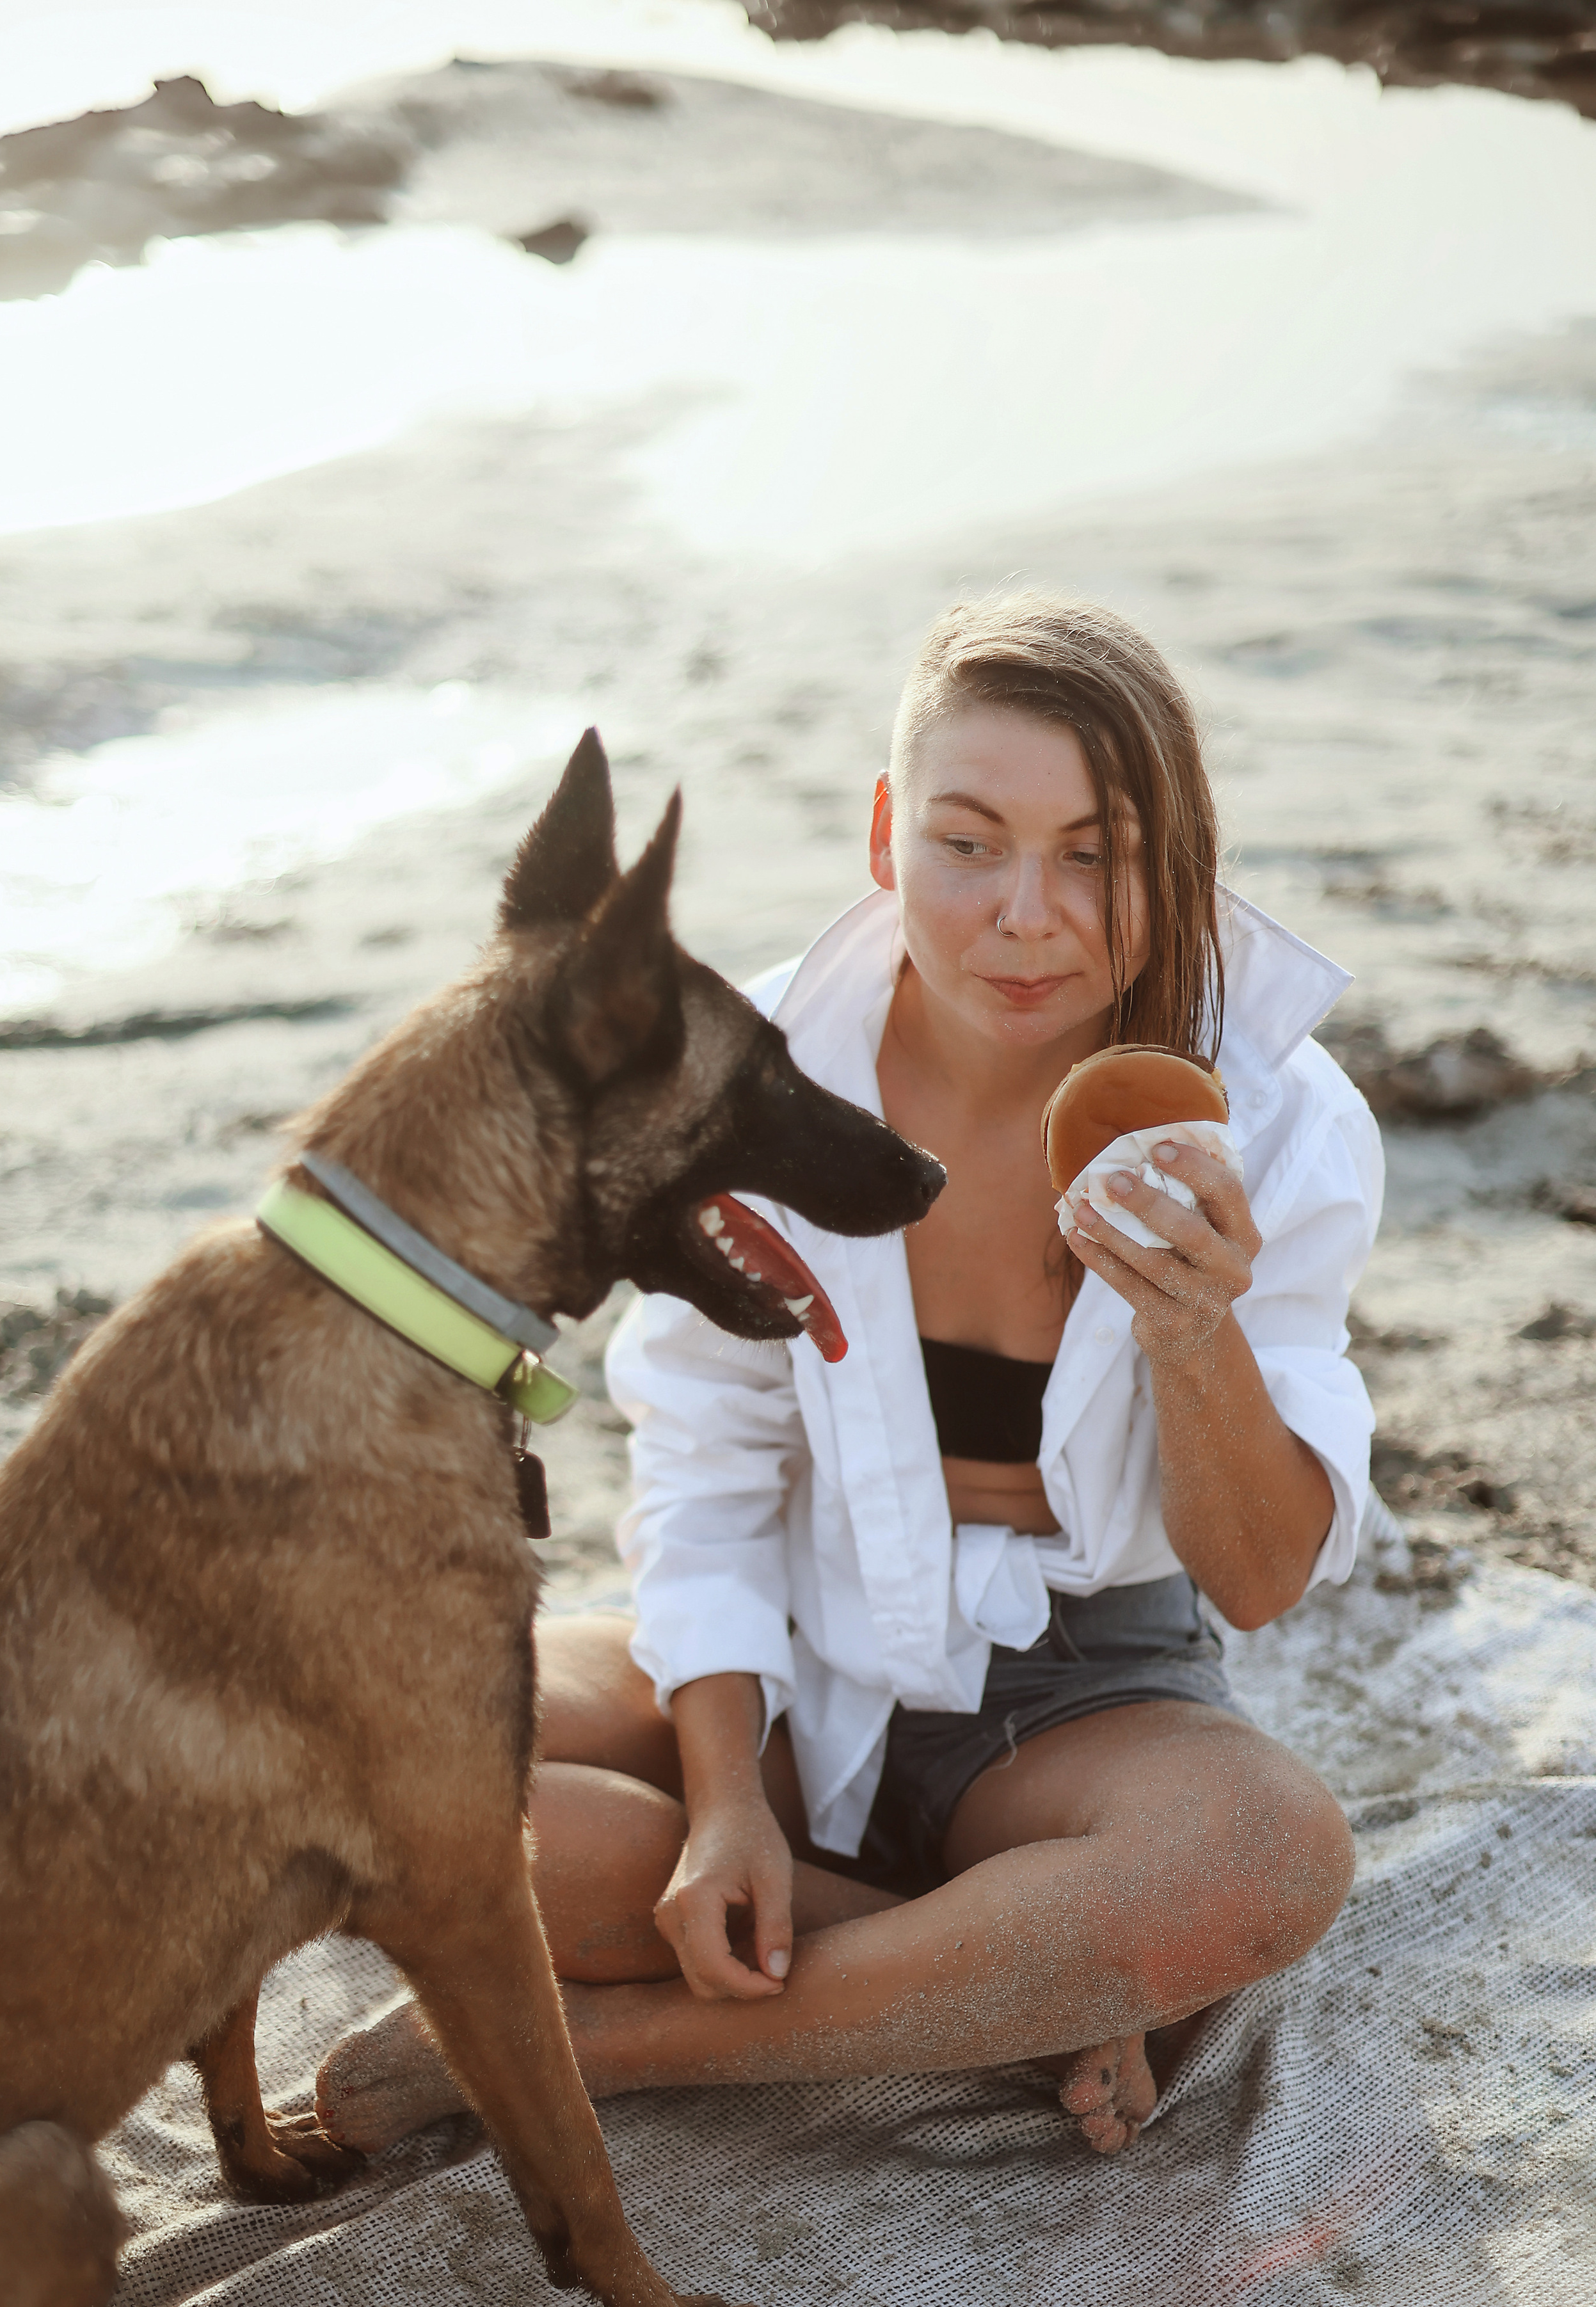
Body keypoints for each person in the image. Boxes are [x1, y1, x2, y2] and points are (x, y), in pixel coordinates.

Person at [317, 592, 1381, 2160]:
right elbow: (706, 1462)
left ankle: (614, 2048)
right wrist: (730, 1797)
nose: (1028, 913)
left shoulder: (1278, 1122)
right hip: (797, 1628)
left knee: (1263, 1859)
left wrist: (1187, 1327)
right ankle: (989, 1970)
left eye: (1097, 853)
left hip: (1075, 1693)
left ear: (1182, 861)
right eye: (970, 842)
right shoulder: (753, 1078)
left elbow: (1262, 1572)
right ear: (886, 836)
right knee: (354, 1746)